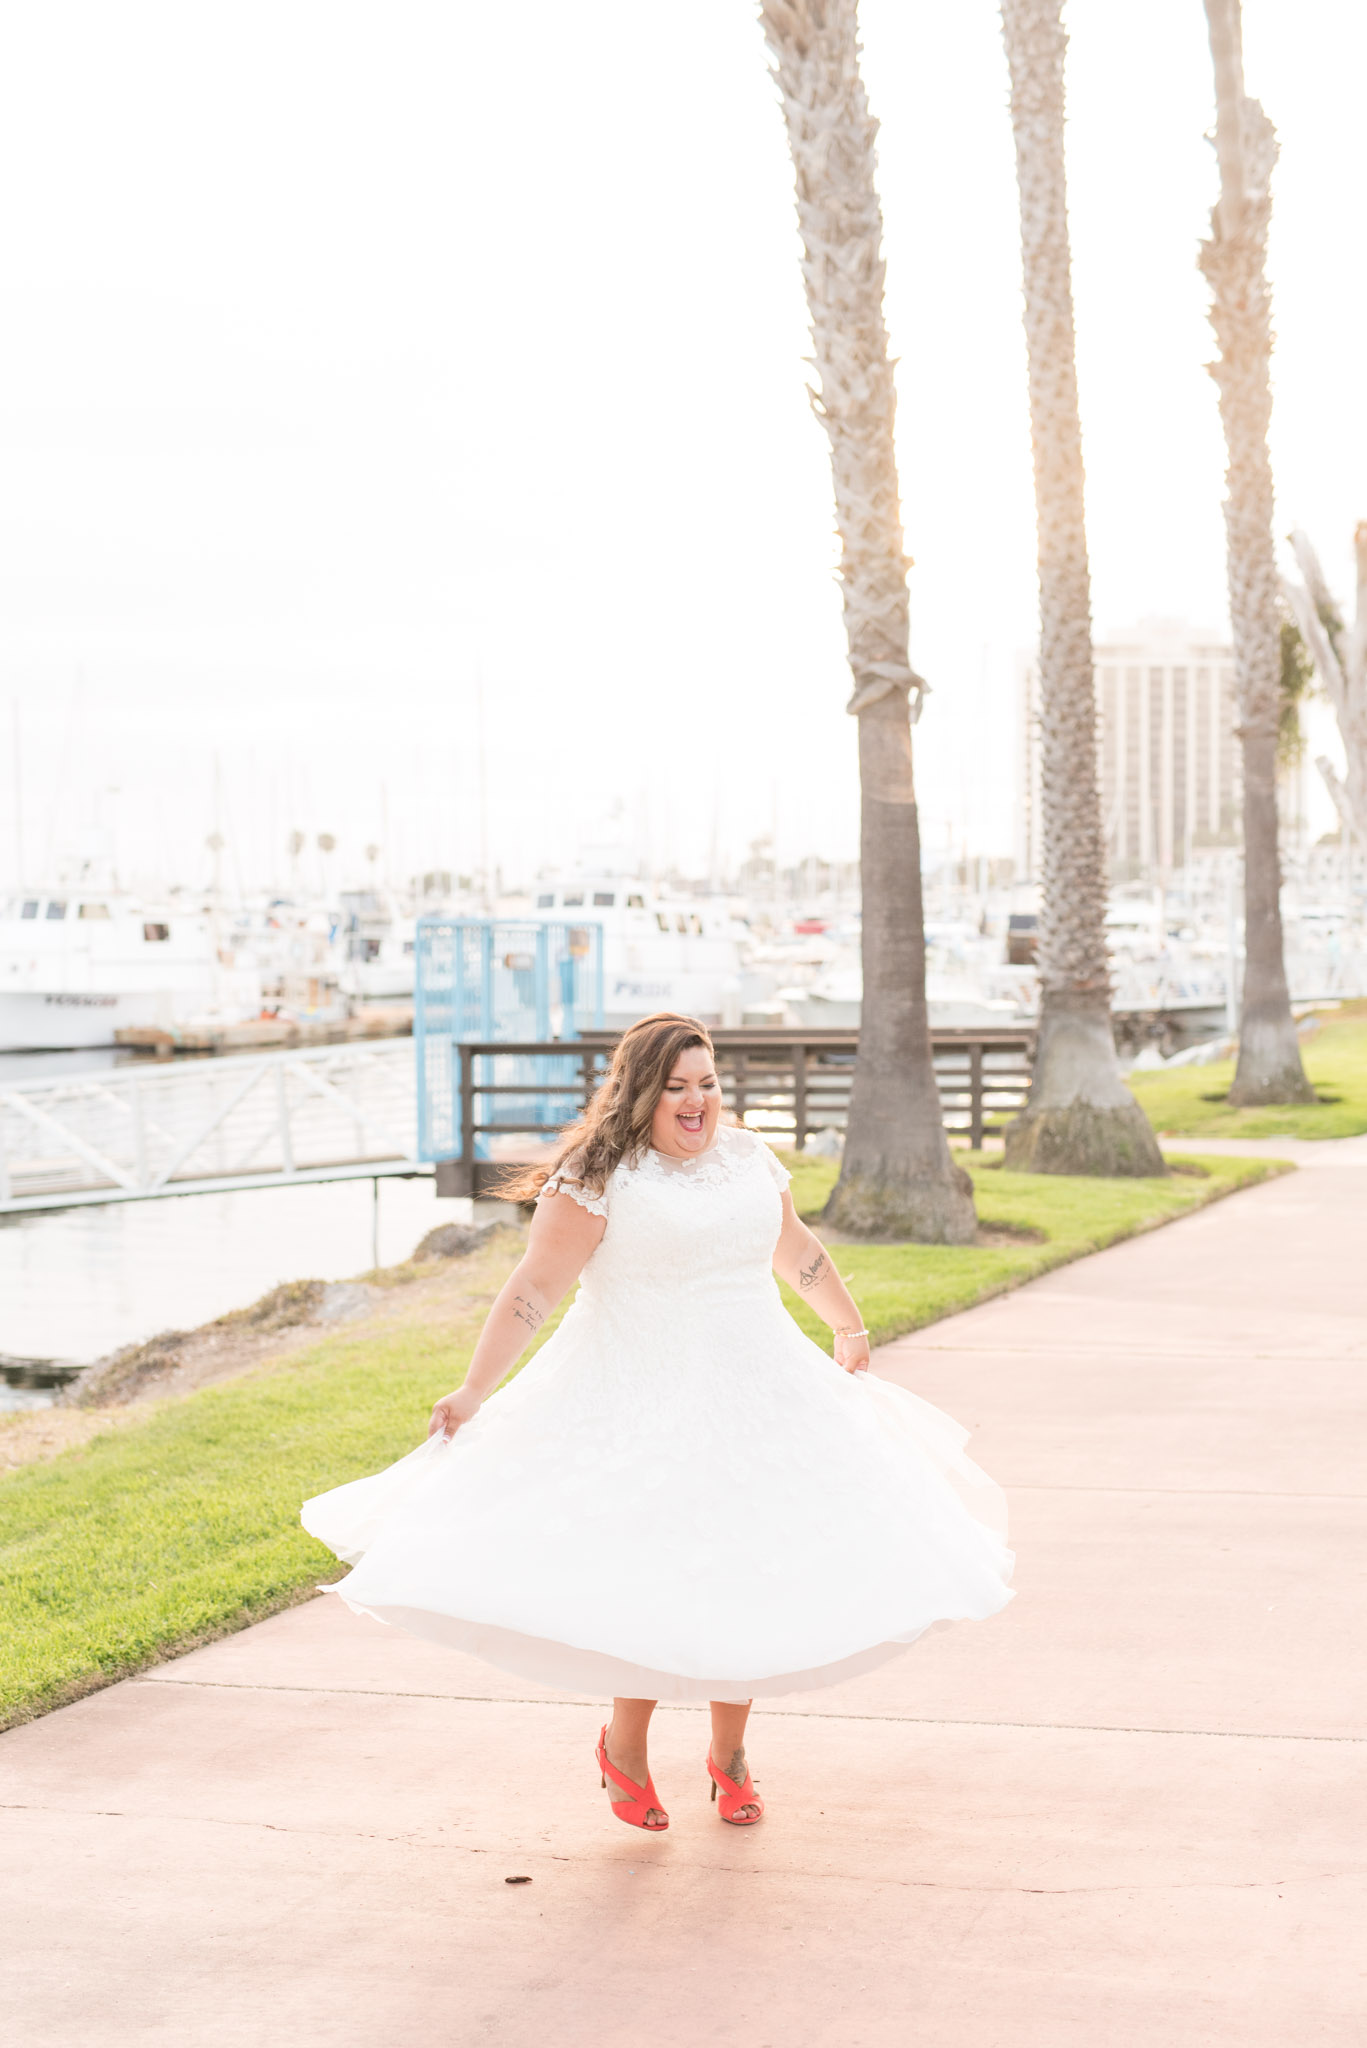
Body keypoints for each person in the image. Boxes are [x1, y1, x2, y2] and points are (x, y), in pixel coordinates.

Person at [302, 1011, 1013, 1832]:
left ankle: (730, 1756)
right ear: (639, 1093)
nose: (696, 1102)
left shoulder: (748, 1160)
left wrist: (845, 1324)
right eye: (676, 1086)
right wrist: (473, 1390)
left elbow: (796, 1250)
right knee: (655, 1571)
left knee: (755, 1565)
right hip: (638, 1392)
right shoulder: (599, 1177)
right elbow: (534, 1290)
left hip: (761, 1391)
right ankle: (626, 1748)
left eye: (707, 1084)